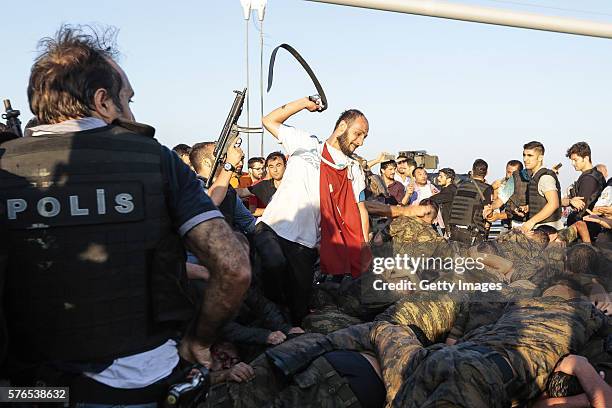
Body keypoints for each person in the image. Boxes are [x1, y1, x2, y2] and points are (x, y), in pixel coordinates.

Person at [0, 25, 251, 405]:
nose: (132, 112)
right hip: (147, 383)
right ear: (102, 101)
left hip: (33, 392)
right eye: (127, 99)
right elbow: (234, 267)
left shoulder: (5, 167)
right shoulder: (155, 159)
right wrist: (200, 340)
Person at [258, 97, 370, 324]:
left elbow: (360, 209)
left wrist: (364, 245)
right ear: (341, 126)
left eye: (365, 137)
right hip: (272, 229)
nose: (360, 142)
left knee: (298, 310)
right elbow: (268, 120)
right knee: (268, 275)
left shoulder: (353, 169)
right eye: (358, 134)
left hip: (306, 245)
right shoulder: (306, 143)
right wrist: (304, 103)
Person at [189, 141, 255, 234]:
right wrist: (230, 165)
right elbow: (211, 201)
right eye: (220, 155)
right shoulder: (194, 186)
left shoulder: (228, 189)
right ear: (206, 162)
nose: (225, 158)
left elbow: (249, 223)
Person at [563, 142, 606, 240]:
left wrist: (569, 201)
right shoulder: (596, 174)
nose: (573, 163)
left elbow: (580, 208)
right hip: (591, 228)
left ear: (586, 158)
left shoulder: (589, 179)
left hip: (586, 230)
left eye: (575, 160)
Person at [521, 141, 563, 232]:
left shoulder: (545, 177)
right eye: (524, 155)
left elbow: (553, 204)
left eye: (530, 155)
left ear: (540, 157)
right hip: (541, 229)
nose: (525, 159)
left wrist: (531, 222)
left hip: (549, 230)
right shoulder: (535, 176)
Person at [448, 159, 493, 244]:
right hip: (472, 232)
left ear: (472, 171)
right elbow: (487, 212)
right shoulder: (486, 188)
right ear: (486, 173)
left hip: (454, 230)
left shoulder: (460, 186)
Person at [249, 151, 286, 215]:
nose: (275, 170)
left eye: (278, 165)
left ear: (285, 166)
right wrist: (274, 211)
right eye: (271, 166)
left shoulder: (293, 185)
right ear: (268, 169)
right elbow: (252, 211)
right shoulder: (260, 186)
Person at [430, 167, 457, 234]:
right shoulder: (450, 189)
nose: (438, 178)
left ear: (449, 179)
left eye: (441, 176)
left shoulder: (449, 191)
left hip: (449, 227)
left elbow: (433, 199)